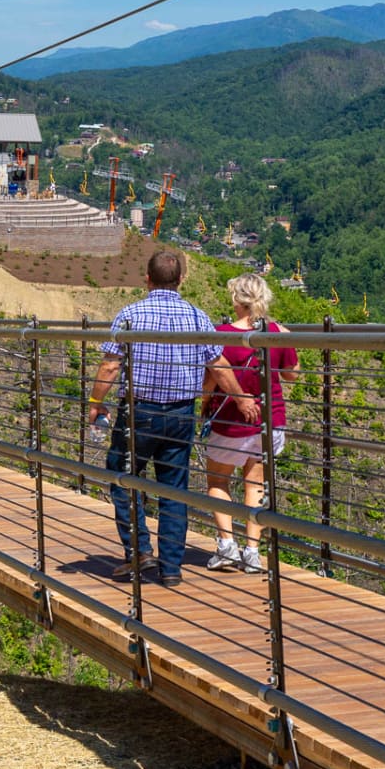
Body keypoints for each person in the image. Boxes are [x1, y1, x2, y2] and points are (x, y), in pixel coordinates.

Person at [88, 251, 258, 587]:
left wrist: (96, 402)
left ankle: (139, 551)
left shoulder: (130, 314)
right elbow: (218, 365)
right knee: (174, 489)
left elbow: (110, 365)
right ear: (180, 280)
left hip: (139, 413)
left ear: (147, 279)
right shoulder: (197, 317)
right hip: (181, 414)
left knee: (123, 477)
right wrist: (240, 398)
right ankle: (170, 569)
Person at [202, 273, 299, 574]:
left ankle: (226, 547)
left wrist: (203, 405)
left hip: (231, 419)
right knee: (254, 482)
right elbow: (292, 374)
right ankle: (253, 552)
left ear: (236, 299)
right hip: (271, 419)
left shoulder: (223, 334)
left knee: (218, 481)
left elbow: (210, 381)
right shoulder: (277, 333)